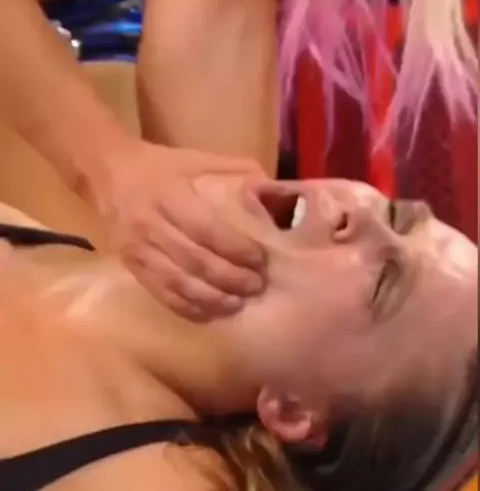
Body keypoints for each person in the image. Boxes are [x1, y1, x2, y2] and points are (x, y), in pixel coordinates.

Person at [0, 177, 477, 491]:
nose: (363, 215)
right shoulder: (55, 202)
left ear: (293, 410)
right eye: (397, 216)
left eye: (383, 284)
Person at [0, 0, 279, 319]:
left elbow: (220, 8)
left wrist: (222, 239)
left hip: (106, 16)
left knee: (185, 302)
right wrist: (107, 166)